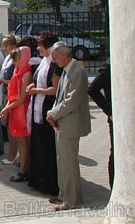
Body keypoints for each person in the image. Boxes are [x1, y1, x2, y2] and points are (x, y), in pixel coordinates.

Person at [46, 42, 91, 211]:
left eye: (55, 57)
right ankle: (63, 194)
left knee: (69, 161)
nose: (54, 61)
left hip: (71, 122)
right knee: (62, 160)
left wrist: (54, 113)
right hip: (62, 121)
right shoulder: (66, 70)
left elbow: (71, 100)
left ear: (63, 55)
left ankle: (72, 199)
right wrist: (53, 113)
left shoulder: (77, 72)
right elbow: (60, 97)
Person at [25, 31, 62, 196]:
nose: (38, 48)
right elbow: (37, 79)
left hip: (47, 106)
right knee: (37, 144)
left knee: (47, 147)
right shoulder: (43, 62)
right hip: (37, 106)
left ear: (47, 47)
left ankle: (49, 183)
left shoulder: (54, 64)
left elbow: (55, 89)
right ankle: (37, 179)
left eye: (40, 45)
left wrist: (37, 90)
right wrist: (32, 86)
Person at [0, 46, 33, 182]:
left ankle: (23, 170)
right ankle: (23, 165)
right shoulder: (17, 72)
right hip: (15, 108)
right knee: (21, 141)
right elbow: (12, 95)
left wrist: (7, 108)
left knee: (24, 141)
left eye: (16, 59)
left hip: (22, 110)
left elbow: (22, 98)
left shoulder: (26, 74)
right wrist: (7, 108)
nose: (14, 62)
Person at [88, 60, 113, 188]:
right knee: (115, 153)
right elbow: (92, 90)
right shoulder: (109, 66)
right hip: (115, 118)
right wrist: (110, 112)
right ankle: (113, 187)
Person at [0, 35, 19, 163]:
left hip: (12, 94)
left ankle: (14, 153)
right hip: (6, 93)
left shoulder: (15, 60)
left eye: (6, 46)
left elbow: (15, 80)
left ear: (13, 47)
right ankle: (12, 152)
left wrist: (2, 81)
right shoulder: (8, 59)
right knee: (8, 124)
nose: (4, 49)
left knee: (12, 125)